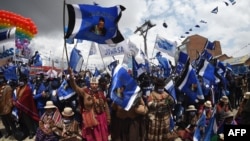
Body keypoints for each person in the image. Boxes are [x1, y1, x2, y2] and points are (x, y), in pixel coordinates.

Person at [68, 67, 110, 141]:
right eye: (92, 84)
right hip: (90, 119)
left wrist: (108, 118)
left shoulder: (101, 93)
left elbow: (106, 107)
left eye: (95, 84)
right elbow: (75, 88)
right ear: (90, 84)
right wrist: (71, 78)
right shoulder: (85, 92)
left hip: (101, 119)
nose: (94, 85)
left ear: (97, 84)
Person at [13, 74, 39, 139]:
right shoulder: (19, 88)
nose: (20, 82)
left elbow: (25, 99)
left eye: (21, 81)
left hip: (26, 107)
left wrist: (17, 103)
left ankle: (31, 132)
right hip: (20, 107)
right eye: (20, 80)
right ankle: (26, 131)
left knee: (28, 120)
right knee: (23, 121)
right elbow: (17, 97)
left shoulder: (27, 89)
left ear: (25, 81)